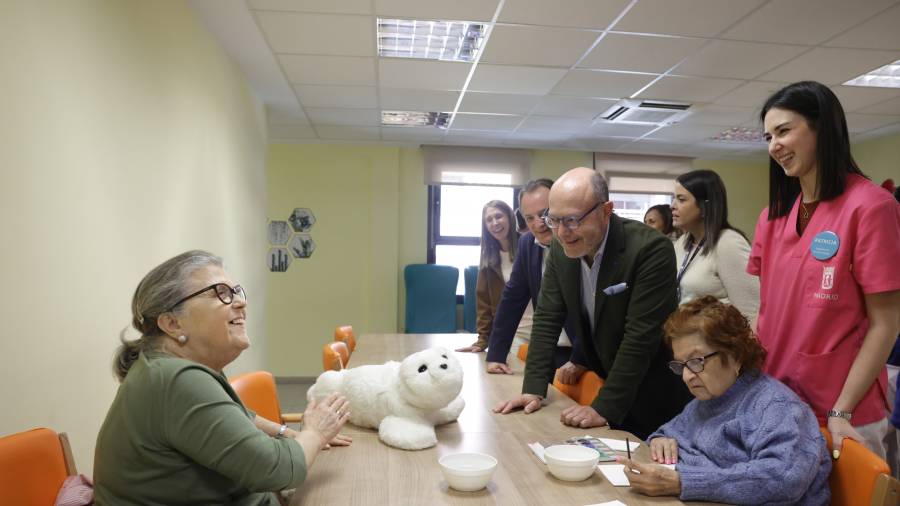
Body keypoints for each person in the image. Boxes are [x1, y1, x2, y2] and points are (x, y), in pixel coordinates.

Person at [94, 251, 352, 506]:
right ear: (173, 324)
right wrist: (315, 432)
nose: (240, 303)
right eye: (220, 293)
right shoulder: (178, 380)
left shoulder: (166, 368)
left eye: (236, 292)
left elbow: (237, 416)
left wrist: (289, 433)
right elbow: (278, 471)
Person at [750, 81, 900, 467]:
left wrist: (842, 409)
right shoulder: (772, 217)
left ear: (822, 128)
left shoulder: (871, 207)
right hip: (777, 401)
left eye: (784, 131)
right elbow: (768, 314)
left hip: (844, 411)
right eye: (768, 137)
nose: (774, 146)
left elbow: (886, 323)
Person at [494, 168, 691, 440]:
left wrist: (604, 407)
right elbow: (547, 318)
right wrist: (533, 389)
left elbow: (640, 337)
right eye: (554, 220)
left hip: (652, 391)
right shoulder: (561, 250)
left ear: (606, 210)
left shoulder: (650, 249)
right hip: (606, 380)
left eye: (572, 220)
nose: (562, 232)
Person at [620, 296, 831, 504]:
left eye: (696, 361)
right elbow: (672, 431)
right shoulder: (708, 399)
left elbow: (782, 479)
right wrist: (660, 440)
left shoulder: (778, 407)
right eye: (681, 365)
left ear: (735, 355)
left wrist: (683, 482)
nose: (687, 376)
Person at [484, 179, 582, 382]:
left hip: (582, 353)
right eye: (529, 218)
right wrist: (496, 355)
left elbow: (593, 308)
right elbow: (512, 299)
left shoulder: (579, 241)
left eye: (545, 214)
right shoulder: (527, 243)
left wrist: (581, 358)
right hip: (549, 350)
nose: (538, 223)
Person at [671, 170, 759, 319]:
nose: (672, 205)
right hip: (684, 331)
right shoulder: (682, 243)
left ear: (705, 206)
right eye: (674, 198)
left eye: (681, 199)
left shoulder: (728, 243)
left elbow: (751, 311)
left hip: (719, 333)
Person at [457, 200, 519, 352]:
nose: (494, 223)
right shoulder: (488, 256)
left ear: (510, 217)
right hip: (506, 332)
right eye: (489, 220)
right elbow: (483, 302)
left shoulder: (528, 245)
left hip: (535, 330)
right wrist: (482, 340)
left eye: (499, 216)